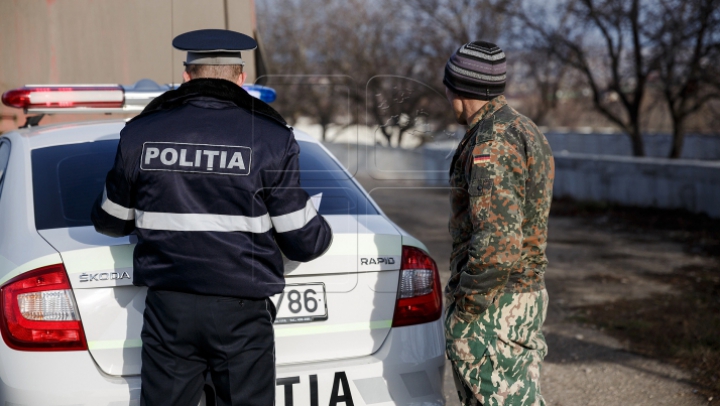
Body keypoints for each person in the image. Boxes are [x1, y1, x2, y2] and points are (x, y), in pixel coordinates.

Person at [90, 29, 333, 406]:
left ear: (186, 76)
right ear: (241, 78)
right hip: (241, 312)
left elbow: (111, 220)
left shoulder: (140, 133)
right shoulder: (271, 138)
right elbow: (304, 240)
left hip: (169, 309)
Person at [443, 41, 555, 406]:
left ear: (460, 89)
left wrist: (466, 307)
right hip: (518, 294)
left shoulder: (491, 141)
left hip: (498, 303)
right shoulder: (525, 129)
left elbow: (497, 244)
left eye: (448, 87)